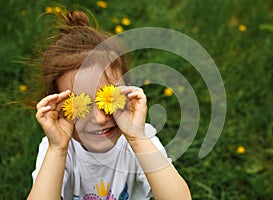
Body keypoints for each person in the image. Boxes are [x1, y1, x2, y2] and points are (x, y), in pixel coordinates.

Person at [27, 10, 191, 200]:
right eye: (82, 105)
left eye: (109, 99)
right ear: (59, 107)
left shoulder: (138, 138)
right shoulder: (57, 147)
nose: (100, 118)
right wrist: (58, 150)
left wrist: (138, 139)